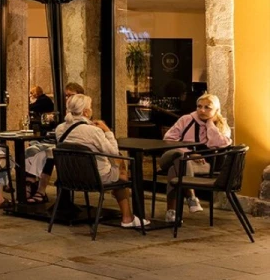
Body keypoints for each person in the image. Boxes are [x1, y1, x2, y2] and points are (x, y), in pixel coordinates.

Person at [54, 94, 148, 229]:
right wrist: (107, 130)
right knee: (121, 165)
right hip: (96, 178)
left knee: (117, 168)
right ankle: (127, 216)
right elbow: (113, 152)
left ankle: (123, 205)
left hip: (70, 178)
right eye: (90, 107)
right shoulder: (93, 131)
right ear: (86, 112)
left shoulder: (60, 129)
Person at [161, 93, 232, 223]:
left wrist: (210, 124)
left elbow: (219, 144)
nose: (202, 110)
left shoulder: (221, 125)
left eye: (207, 107)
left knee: (175, 169)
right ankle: (191, 196)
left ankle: (171, 212)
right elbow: (168, 140)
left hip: (203, 162)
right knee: (180, 158)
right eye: (199, 106)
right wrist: (189, 153)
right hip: (174, 155)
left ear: (216, 110)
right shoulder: (186, 119)